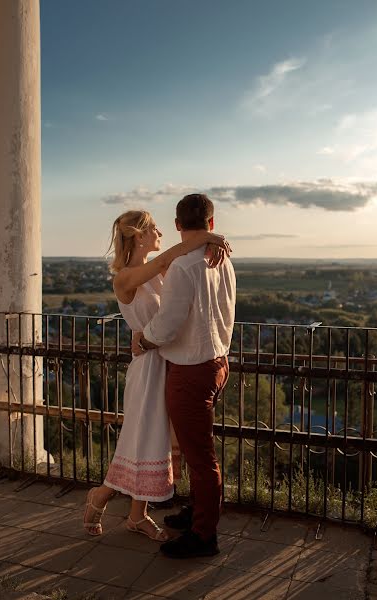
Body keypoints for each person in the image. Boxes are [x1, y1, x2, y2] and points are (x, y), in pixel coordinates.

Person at [83, 209, 230, 540]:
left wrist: (206, 243)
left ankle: (137, 516)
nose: (160, 232)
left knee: (155, 440)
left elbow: (174, 305)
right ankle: (102, 495)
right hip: (147, 367)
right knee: (142, 437)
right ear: (139, 236)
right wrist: (208, 235)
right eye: (153, 228)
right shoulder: (125, 277)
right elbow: (171, 256)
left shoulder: (157, 273)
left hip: (166, 359)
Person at [132, 193, 236, 558]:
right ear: (210, 223)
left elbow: (168, 324)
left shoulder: (183, 266)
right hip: (218, 362)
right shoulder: (221, 259)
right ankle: (198, 512)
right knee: (196, 449)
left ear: (178, 225)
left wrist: (144, 340)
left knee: (200, 455)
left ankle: (205, 535)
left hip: (192, 369)